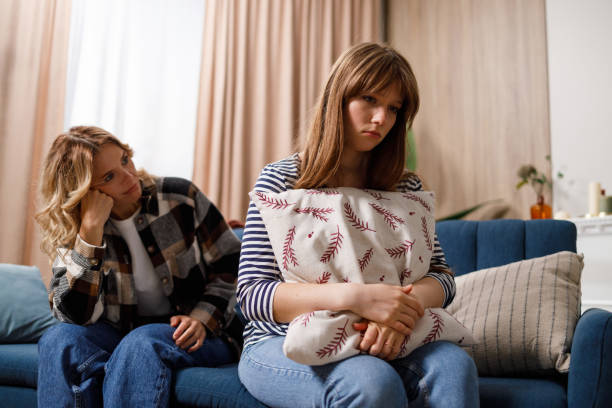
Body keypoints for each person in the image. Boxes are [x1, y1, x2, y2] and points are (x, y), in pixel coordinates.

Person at [237, 43, 479, 407]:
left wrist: (397, 313)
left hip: (393, 334)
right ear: (339, 96)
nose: (382, 117)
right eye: (370, 99)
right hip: (280, 339)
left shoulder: (406, 187)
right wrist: (359, 299)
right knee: (371, 381)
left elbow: (442, 277)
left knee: (455, 366)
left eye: (394, 108)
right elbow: (253, 296)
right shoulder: (282, 180)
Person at [35, 126, 243, 407]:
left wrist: (203, 316)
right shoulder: (78, 228)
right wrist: (90, 231)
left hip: (197, 330)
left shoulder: (178, 197)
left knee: (141, 342)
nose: (129, 176)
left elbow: (232, 262)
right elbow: (73, 316)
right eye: (109, 177)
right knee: (58, 340)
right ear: (85, 192)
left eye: (124, 160)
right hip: (120, 332)